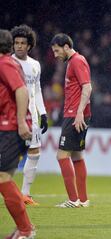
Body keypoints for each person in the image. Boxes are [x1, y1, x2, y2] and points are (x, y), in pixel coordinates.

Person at [0, 29, 35, 239]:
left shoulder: (4, 63)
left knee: (3, 178)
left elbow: (21, 91)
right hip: (7, 126)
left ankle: (25, 229)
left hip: (11, 128)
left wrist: (21, 121)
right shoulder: (10, 63)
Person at [51, 33, 92, 208]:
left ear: (66, 47)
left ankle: (73, 200)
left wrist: (79, 113)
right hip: (75, 113)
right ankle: (82, 200)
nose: (55, 54)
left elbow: (87, 87)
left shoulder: (76, 61)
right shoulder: (73, 61)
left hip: (75, 114)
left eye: (57, 50)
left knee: (61, 155)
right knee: (76, 155)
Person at [11, 24, 48, 206]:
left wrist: (43, 113)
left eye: (22, 43)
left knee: (34, 152)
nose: (19, 46)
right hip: (11, 116)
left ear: (29, 45)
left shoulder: (35, 65)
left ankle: (25, 194)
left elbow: (37, 90)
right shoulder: (7, 63)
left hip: (31, 117)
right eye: (16, 43)